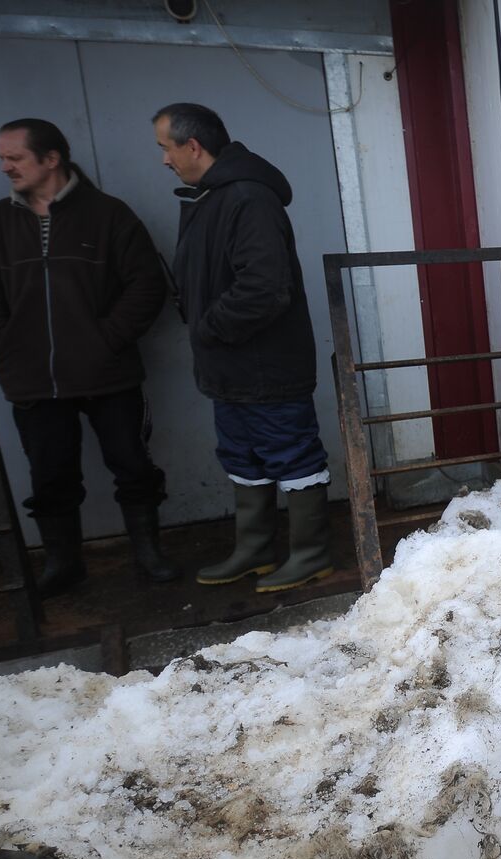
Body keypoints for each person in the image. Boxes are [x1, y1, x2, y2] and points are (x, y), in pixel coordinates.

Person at [0, 118, 178, 597]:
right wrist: (4, 340)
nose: (5, 167)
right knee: (50, 474)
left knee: (133, 465)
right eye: (3, 158)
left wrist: (107, 339)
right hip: (33, 378)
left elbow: (147, 284)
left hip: (108, 374)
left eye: (14, 158)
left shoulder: (108, 216)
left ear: (51, 159)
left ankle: (148, 554)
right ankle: (64, 564)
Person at [152, 103, 334, 593]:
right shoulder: (210, 197)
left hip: (265, 365)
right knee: (242, 456)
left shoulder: (248, 199)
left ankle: (311, 554)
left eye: (165, 149)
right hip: (228, 367)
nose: (164, 160)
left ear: (193, 146)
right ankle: (254, 551)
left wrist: (208, 328)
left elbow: (265, 287)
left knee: (291, 454)